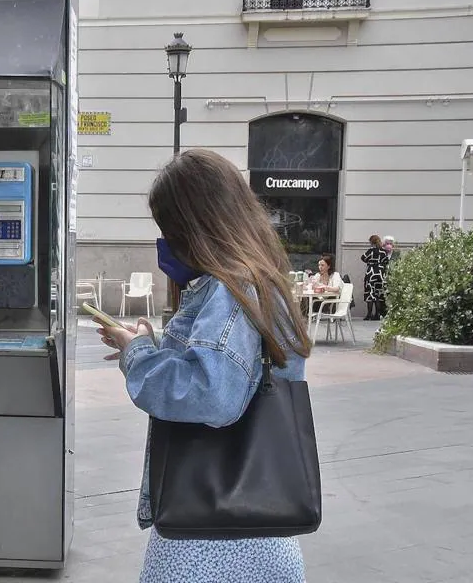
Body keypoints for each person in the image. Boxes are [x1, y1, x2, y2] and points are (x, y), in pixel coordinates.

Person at [95, 149, 313, 583]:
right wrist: (149, 348)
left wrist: (138, 356)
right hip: (262, 521)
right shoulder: (261, 282)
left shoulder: (229, 290)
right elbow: (235, 374)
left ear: (194, 227)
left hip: (210, 538)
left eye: (169, 229)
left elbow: (213, 395)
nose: (166, 242)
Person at [361, 235, 388, 320]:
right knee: (378, 295)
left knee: (370, 294)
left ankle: (369, 314)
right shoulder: (384, 251)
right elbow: (386, 261)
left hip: (371, 274)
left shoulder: (370, 251)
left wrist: (370, 262)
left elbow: (363, 258)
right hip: (380, 274)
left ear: (371, 242)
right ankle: (377, 314)